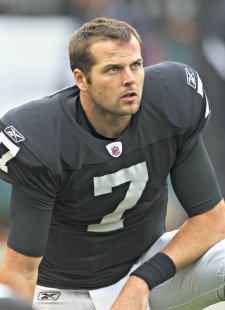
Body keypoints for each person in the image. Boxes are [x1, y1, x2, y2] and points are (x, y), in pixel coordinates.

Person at [0, 17, 225, 310]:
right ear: (81, 79)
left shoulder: (171, 102)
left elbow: (212, 218)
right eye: (113, 69)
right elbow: (21, 270)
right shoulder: (42, 137)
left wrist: (143, 280)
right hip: (62, 292)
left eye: (136, 65)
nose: (130, 79)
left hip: (148, 271)